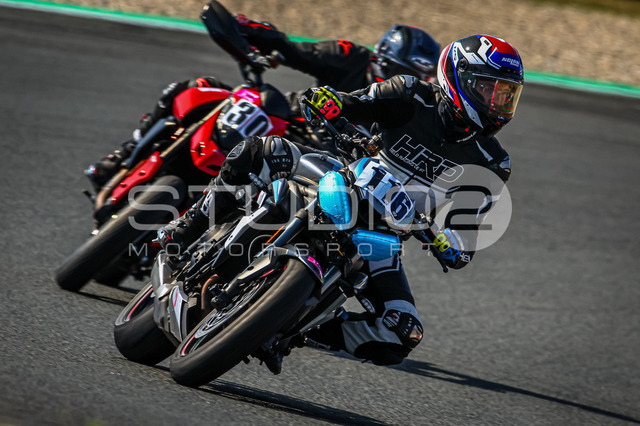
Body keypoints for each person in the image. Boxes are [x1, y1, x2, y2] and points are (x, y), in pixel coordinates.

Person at [157, 34, 525, 369]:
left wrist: (450, 244)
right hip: (341, 179)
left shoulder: (492, 163)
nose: (498, 103)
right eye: (489, 89)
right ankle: (189, 226)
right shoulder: (412, 94)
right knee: (260, 151)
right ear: (458, 78)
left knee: (402, 333)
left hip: (382, 239)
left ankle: (296, 327)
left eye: (507, 95)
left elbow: (464, 233)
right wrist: (330, 103)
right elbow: (353, 104)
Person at [86, 14, 440, 189]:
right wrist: (250, 31)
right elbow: (292, 50)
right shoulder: (351, 58)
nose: (406, 82)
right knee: (197, 88)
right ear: (382, 60)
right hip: (287, 119)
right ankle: (123, 154)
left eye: (418, 78)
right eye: (402, 71)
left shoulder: (411, 111)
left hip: (324, 168)